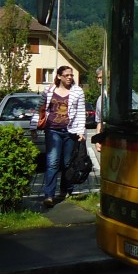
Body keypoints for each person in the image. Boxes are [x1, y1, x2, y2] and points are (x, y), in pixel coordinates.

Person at [37, 65, 86, 207]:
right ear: (59, 76)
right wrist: (35, 125)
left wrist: (81, 131)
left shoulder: (78, 92)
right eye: (67, 75)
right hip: (52, 130)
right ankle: (49, 196)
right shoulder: (49, 90)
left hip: (70, 131)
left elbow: (81, 111)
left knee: (67, 163)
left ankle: (66, 190)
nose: (70, 77)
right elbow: (40, 108)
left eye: (71, 75)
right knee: (52, 162)